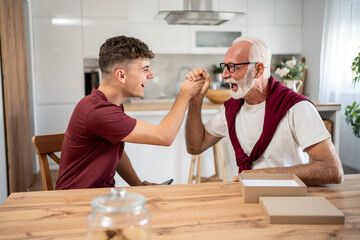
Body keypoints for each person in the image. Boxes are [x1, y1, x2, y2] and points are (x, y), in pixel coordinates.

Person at [185, 36, 343, 186]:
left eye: (232, 67)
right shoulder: (229, 109)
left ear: (258, 70)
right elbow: (195, 146)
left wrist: (264, 175)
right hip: (242, 197)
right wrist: (195, 100)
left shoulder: (297, 107)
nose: (225, 75)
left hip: (290, 199)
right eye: (224, 66)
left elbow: (331, 169)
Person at [56, 36, 205, 189]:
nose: (151, 75)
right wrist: (185, 94)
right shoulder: (98, 111)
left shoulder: (110, 105)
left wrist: (137, 184)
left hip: (102, 196)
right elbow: (165, 136)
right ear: (121, 75)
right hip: (76, 201)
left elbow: (116, 153)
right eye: (145, 69)